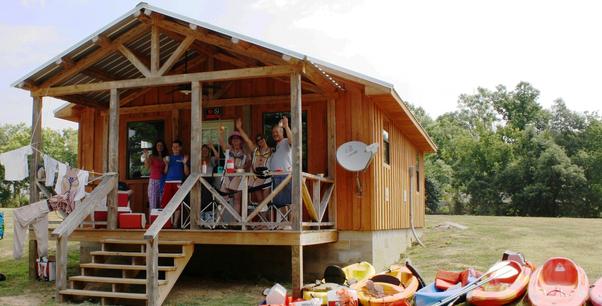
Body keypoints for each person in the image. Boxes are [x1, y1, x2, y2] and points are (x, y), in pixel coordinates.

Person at [235, 118, 273, 204]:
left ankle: (265, 218)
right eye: (258, 140)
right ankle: (263, 218)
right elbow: (247, 140)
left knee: (266, 201)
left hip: (266, 177)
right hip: (255, 177)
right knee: (260, 201)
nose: (260, 141)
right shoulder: (255, 149)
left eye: (261, 139)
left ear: (265, 139)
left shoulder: (271, 151)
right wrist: (239, 128)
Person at [217, 127, 250, 216]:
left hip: (238, 178)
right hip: (226, 177)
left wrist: (240, 167)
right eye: (233, 139)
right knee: (222, 199)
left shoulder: (245, 154)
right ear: (231, 141)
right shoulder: (228, 151)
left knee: (237, 200)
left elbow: (247, 167)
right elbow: (221, 143)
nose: (235, 140)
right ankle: (219, 223)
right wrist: (221, 133)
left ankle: (236, 223)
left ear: (241, 141)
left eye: (237, 139)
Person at [161, 140, 189, 227]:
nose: (175, 148)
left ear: (180, 148)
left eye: (177, 146)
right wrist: (166, 164)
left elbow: (187, 173)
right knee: (166, 202)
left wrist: (185, 164)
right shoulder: (168, 158)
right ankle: (167, 222)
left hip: (178, 182)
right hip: (168, 182)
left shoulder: (183, 158)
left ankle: (175, 224)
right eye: (173, 147)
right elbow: (165, 172)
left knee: (177, 203)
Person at [270, 116, 293, 210]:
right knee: (280, 203)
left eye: (277, 132)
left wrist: (286, 126)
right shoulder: (276, 146)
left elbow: (293, 141)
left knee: (289, 201)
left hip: (286, 176)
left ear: (282, 132)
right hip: (276, 177)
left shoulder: (286, 141)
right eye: (273, 132)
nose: (275, 134)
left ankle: (291, 224)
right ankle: (283, 224)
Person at [144, 140, 167, 214]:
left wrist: (166, 163)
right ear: (155, 147)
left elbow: (166, 171)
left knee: (162, 201)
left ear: (163, 147)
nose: (159, 147)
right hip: (153, 181)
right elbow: (147, 167)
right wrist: (146, 156)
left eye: (161, 145)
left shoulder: (166, 157)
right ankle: (152, 222)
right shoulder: (152, 157)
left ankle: (161, 222)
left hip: (163, 181)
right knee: (153, 202)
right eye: (158, 145)